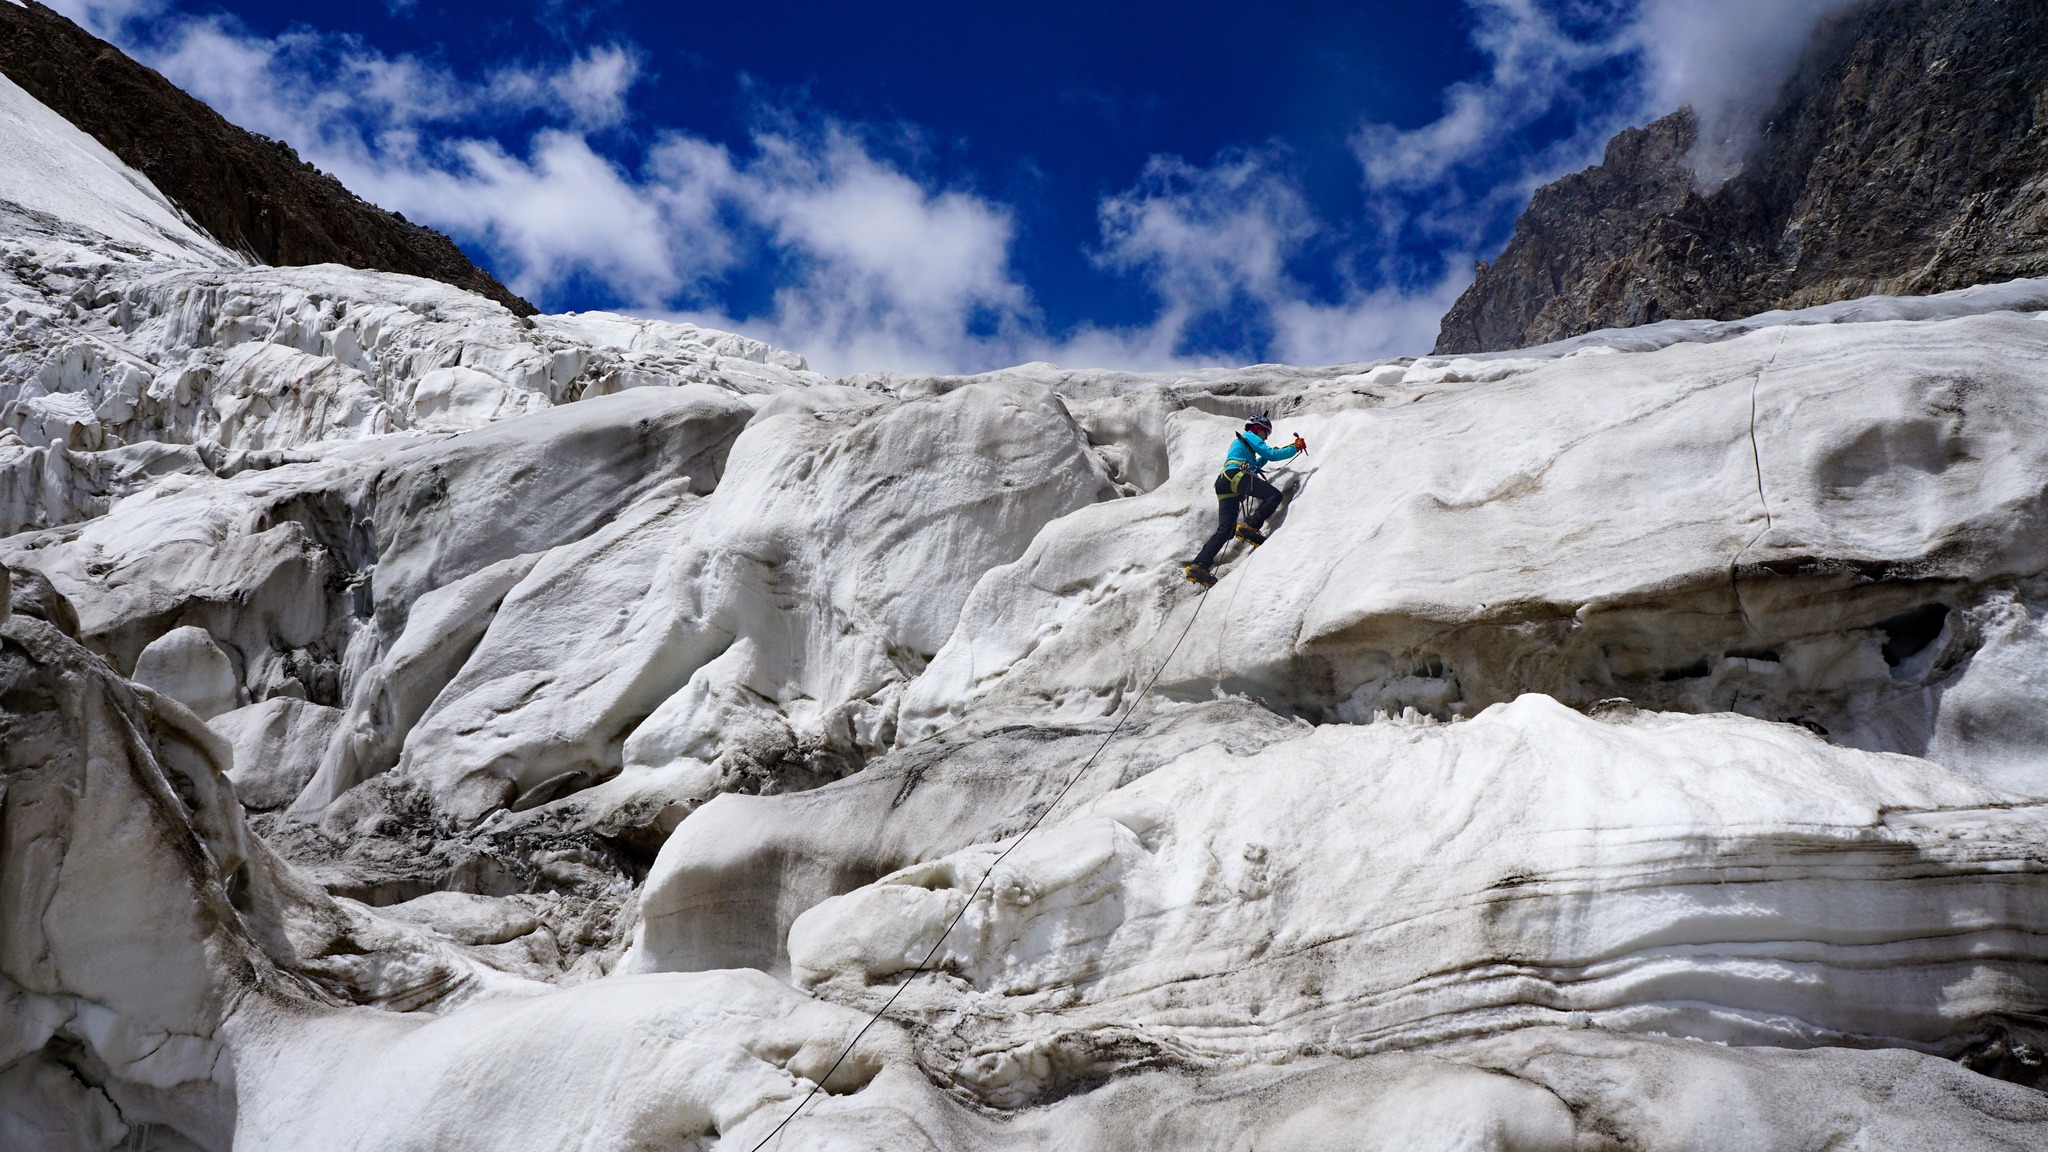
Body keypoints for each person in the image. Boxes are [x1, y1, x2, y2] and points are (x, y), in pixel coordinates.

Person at [1184, 413, 1305, 587]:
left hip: (1224, 482)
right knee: (1274, 495)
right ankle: (1251, 526)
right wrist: (1294, 447)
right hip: (1237, 476)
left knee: (1226, 530)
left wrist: (1266, 456)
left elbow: (1255, 465)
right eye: (1265, 433)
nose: (1266, 437)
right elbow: (1271, 455)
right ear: (1258, 428)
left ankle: (1199, 565)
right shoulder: (1250, 436)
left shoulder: (1242, 443)